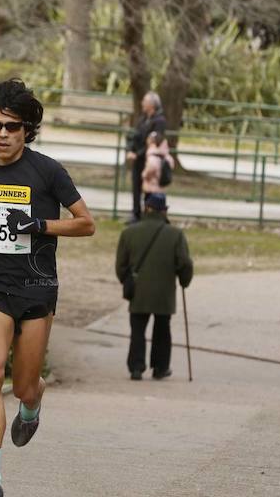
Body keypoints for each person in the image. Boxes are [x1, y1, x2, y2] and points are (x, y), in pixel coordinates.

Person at [0, 79, 95, 497]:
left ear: (27, 130)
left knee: (23, 384)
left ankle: (33, 401)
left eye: (12, 127)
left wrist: (39, 225)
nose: (3, 134)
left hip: (36, 289)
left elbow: (86, 223)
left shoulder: (48, 172)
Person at [115, 193, 193, 381]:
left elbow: (121, 265)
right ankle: (160, 367)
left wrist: (127, 281)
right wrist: (184, 280)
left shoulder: (129, 232)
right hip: (164, 292)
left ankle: (136, 367)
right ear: (163, 210)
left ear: (146, 208)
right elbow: (184, 263)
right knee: (162, 330)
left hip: (139, 290)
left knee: (137, 330)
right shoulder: (175, 234)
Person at [125, 91, 167, 223]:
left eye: (145, 101)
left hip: (150, 161)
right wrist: (130, 150)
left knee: (149, 188)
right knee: (136, 187)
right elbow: (134, 136)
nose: (142, 103)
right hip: (137, 159)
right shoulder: (142, 118)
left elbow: (154, 142)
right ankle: (135, 214)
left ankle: (148, 215)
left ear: (151, 104)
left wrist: (138, 154)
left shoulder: (159, 121)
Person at [142, 131, 174, 197]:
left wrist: (144, 174)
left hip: (150, 189)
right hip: (162, 189)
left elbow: (150, 168)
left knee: (150, 205)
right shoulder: (166, 156)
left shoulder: (152, 156)